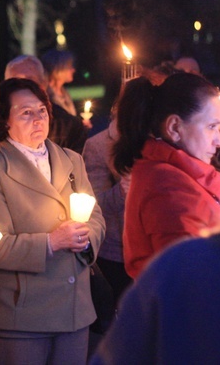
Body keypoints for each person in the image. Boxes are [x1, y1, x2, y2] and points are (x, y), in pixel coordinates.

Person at [92, 91, 220, 364]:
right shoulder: (171, 196)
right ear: (175, 127)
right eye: (212, 126)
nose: (219, 138)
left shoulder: (183, 263)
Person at [0, 78, 105, 365]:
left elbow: (95, 217)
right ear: (5, 121)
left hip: (74, 308)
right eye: (25, 113)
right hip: (24, 314)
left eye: (41, 110)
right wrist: (50, 242)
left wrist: (85, 238)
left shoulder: (71, 160)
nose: (37, 119)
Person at [112, 73, 220, 279]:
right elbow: (190, 280)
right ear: (174, 128)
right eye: (212, 127)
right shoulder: (167, 188)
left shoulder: (182, 176)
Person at [81, 106, 131, 303]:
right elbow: (92, 202)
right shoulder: (99, 145)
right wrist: (121, 191)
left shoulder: (154, 139)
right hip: (115, 251)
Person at [5, 55, 87, 153]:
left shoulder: (67, 126)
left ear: (43, 83)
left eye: (30, 81)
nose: (24, 88)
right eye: (16, 82)